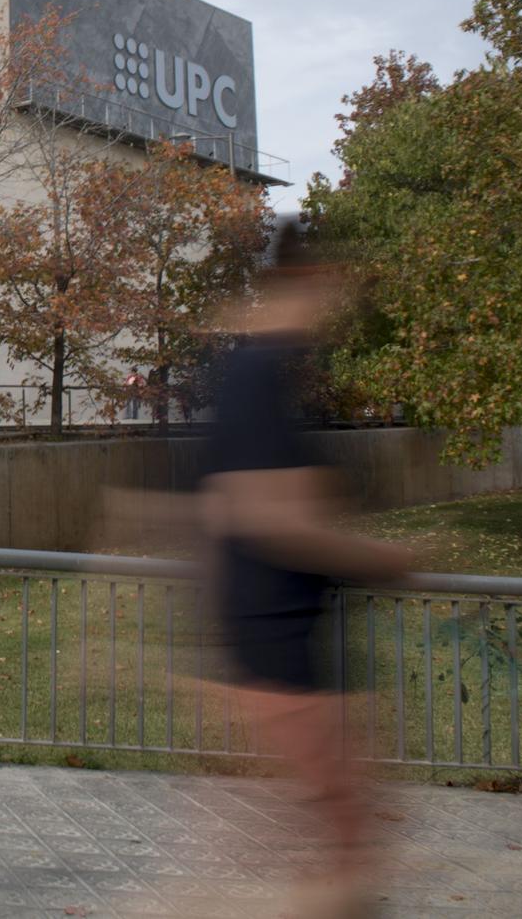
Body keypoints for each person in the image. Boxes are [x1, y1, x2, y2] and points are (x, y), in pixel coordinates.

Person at [190, 220, 410, 918]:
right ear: (310, 279)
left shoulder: (261, 372)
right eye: (336, 280)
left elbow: (225, 511)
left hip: (289, 634)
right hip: (275, 637)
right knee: (342, 830)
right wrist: (386, 558)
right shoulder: (255, 373)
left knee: (343, 826)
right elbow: (264, 516)